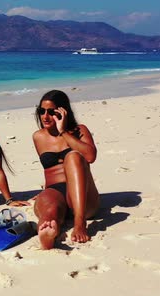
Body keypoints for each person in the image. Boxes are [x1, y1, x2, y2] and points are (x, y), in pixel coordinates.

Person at [32, 90, 99, 250]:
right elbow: (49, 170)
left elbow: (90, 156)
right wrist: (45, 192)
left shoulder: (79, 130)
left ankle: (79, 221)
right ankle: (48, 234)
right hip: (55, 192)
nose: (45, 116)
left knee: (73, 157)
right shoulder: (38, 137)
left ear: (63, 112)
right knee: (50, 210)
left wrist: (63, 132)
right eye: (42, 111)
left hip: (83, 196)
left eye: (51, 112)